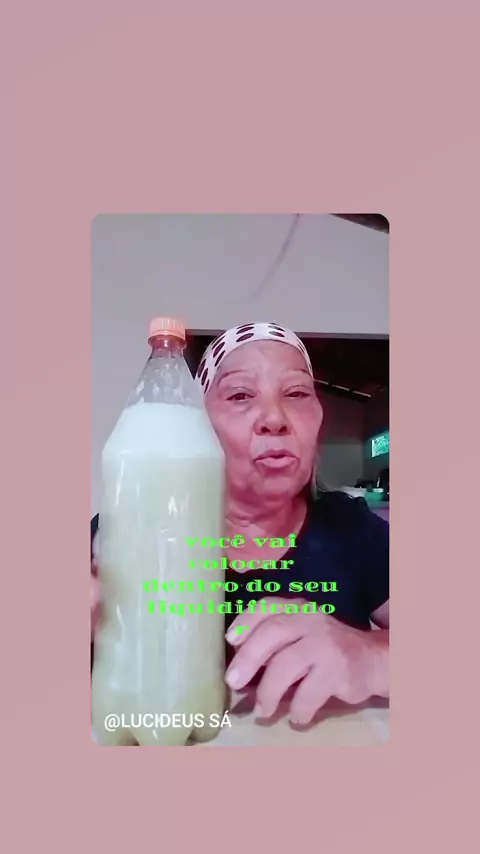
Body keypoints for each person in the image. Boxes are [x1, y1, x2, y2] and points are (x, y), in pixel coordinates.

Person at [91, 321, 389, 726]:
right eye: (240, 395)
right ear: (198, 425)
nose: (274, 418)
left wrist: (371, 656)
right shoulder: (130, 528)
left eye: (296, 393)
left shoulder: (352, 529)